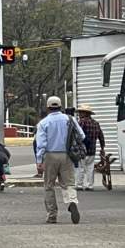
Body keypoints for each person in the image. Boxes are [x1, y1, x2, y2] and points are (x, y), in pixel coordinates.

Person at [35, 96, 85, 224]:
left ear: (48, 108)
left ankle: (52, 215)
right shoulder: (70, 119)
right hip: (67, 155)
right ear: (60, 106)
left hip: (50, 156)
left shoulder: (43, 123)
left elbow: (41, 144)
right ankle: (72, 201)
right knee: (69, 183)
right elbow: (82, 135)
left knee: (49, 186)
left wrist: (39, 160)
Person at [75, 104, 105, 191]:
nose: (79, 114)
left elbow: (78, 135)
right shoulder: (96, 123)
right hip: (92, 149)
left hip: (82, 149)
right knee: (90, 167)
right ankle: (90, 185)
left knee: (80, 167)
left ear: (85, 113)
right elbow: (101, 136)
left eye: (81, 112)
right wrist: (102, 147)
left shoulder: (81, 122)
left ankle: (79, 185)